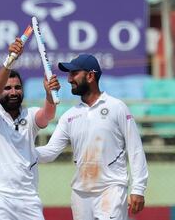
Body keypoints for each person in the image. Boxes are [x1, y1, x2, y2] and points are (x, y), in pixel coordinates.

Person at [36, 54, 148, 220]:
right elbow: (50, 151)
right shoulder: (69, 116)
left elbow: (135, 148)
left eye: (74, 74)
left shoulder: (116, 107)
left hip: (112, 189)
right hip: (81, 194)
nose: (69, 79)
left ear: (90, 76)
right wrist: (21, 150)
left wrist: (138, 188)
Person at [0, 38, 60, 220]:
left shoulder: (29, 115)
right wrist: (10, 60)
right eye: (8, 88)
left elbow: (47, 115)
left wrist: (49, 94)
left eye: (17, 87)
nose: (13, 92)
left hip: (29, 198)